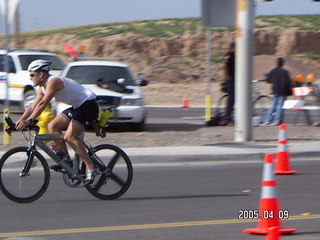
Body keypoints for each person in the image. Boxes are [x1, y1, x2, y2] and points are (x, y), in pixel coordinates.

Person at [15, 59, 99, 183]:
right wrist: (19, 122)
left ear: (41, 74)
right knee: (53, 126)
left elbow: (44, 103)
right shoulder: (42, 88)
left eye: (32, 75)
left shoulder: (53, 81)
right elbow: (32, 106)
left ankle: (92, 168)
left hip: (88, 105)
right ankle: (67, 162)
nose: (30, 78)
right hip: (77, 107)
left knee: (70, 137)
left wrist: (30, 120)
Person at [260, 57, 292, 126]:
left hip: (276, 90)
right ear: (283, 64)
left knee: (273, 106)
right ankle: (278, 120)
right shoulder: (285, 72)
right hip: (283, 91)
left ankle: (267, 119)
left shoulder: (273, 71)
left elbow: (269, 80)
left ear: (276, 63)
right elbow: (288, 82)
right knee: (280, 106)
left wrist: (267, 76)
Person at [222, 41, 235, 125]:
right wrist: (227, 75)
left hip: (235, 80)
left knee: (234, 99)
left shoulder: (235, 55)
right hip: (230, 81)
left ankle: (230, 116)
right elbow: (224, 65)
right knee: (231, 99)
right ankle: (228, 117)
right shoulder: (229, 54)